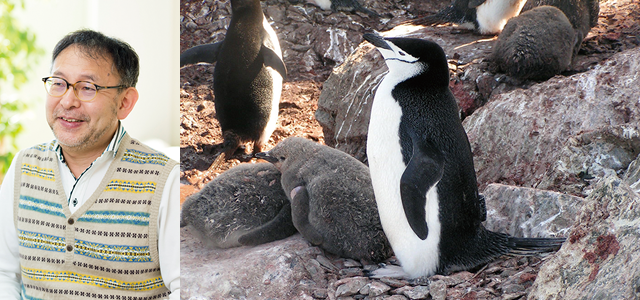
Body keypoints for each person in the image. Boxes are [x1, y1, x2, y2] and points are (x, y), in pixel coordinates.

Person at [0, 29, 179, 299]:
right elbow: (5, 274)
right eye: (58, 83)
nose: (68, 101)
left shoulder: (165, 180)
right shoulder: (24, 166)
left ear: (125, 102)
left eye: (87, 88)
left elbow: (182, 288)